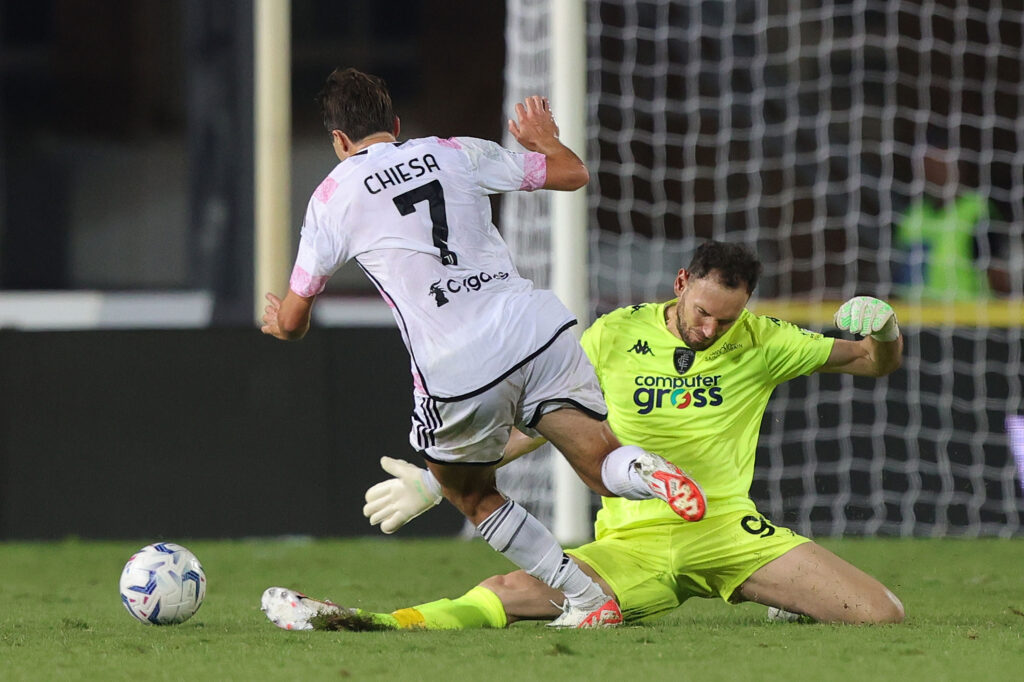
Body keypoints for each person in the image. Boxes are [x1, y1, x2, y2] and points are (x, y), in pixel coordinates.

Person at [258, 67, 707, 630]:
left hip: (457, 362)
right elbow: (571, 173)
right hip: (535, 326)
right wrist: (545, 141)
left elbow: (297, 317)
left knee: (467, 493)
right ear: (395, 126)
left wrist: (280, 324)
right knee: (599, 463)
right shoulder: (454, 151)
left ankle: (586, 599)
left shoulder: (332, 196)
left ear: (339, 142)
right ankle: (646, 469)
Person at [263, 241, 907, 631]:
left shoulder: (765, 340)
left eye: (726, 319)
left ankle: (781, 595)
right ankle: (371, 621)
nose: (711, 329)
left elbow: (872, 362)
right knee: (506, 595)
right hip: (632, 543)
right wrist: (439, 483)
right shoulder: (613, 335)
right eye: (703, 312)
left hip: (727, 531)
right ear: (681, 285)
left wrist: (884, 332)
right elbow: (541, 427)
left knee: (882, 614)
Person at [894, 136, 1010, 299]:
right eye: (928, 166)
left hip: (966, 318)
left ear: (958, 168)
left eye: (941, 165)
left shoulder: (976, 211)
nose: (934, 172)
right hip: (916, 317)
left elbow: (997, 272)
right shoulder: (912, 216)